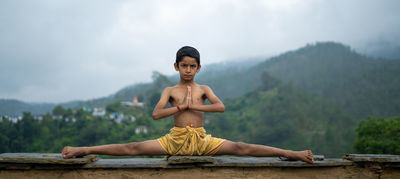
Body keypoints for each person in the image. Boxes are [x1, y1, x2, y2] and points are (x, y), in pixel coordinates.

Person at [62, 46, 314, 163]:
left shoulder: (204, 89)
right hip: (175, 139)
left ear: (199, 67)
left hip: (202, 139)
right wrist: (180, 108)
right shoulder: (170, 90)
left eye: (193, 66)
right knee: (133, 147)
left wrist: (195, 107)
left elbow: (220, 107)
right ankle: (83, 149)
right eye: (184, 65)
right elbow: (156, 114)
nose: (188, 70)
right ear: (176, 66)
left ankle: (292, 153)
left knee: (241, 147)